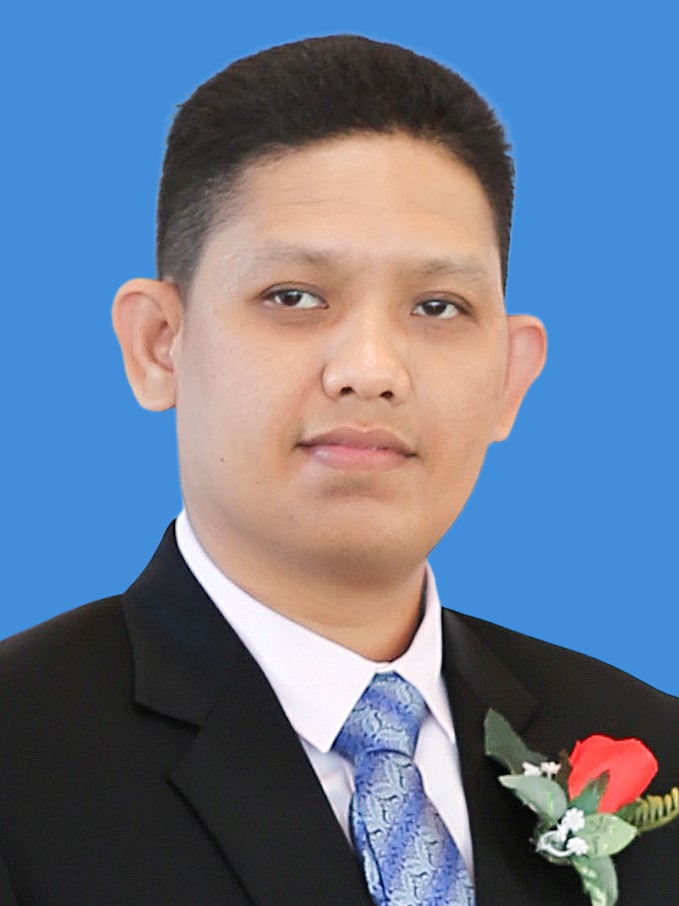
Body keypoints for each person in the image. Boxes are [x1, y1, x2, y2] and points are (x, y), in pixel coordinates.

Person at [1, 34, 677, 906]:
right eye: (294, 296)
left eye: (437, 306)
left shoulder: (646, 744)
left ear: (510, 379)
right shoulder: (21, 754)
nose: (370, 369)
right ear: (159, 344)